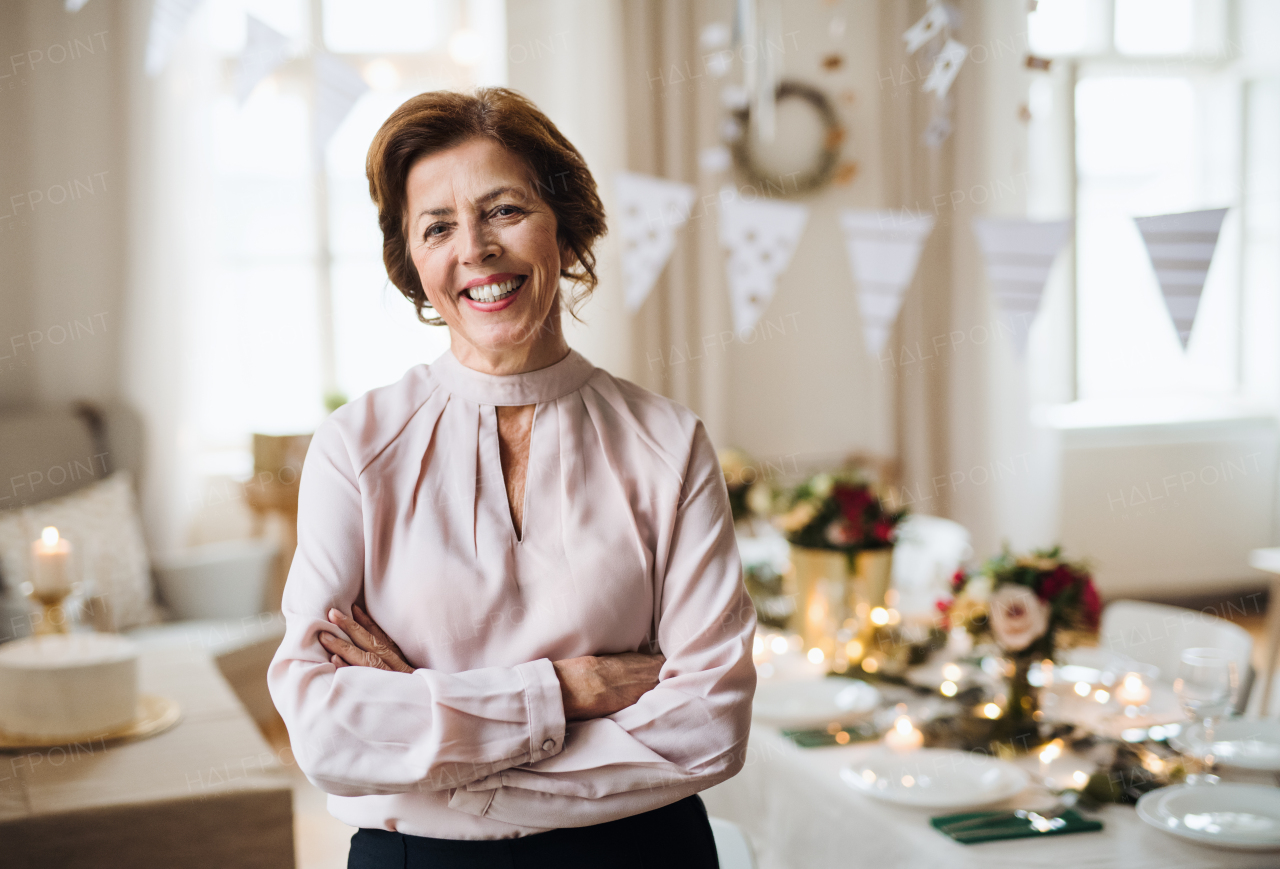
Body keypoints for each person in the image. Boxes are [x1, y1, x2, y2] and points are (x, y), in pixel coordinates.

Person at [267, 87, 756, 868]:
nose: (475, 248)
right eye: (438, 227)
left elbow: (709, 724)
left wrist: (444, 771)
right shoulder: (354, 447)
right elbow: (327, 730)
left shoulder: (670, 442)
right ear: (413, 263)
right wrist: (568, 691)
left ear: (563, 228)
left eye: (502, 210)